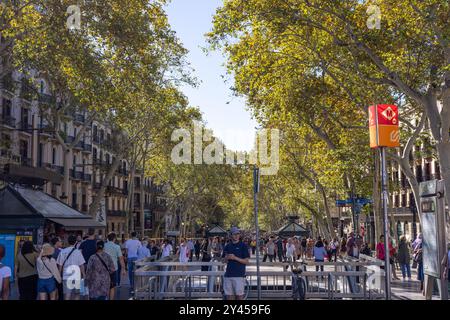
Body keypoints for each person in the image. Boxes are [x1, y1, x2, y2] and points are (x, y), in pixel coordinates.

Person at [221, 227, 250, 300]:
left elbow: (246, 261)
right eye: (234, 234)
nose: (237, 236)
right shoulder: (227, 246)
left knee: (239, 297)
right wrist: (226, 258)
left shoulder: (243, 246)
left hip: (239, 275)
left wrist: (235, 258)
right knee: (229, 297)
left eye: (238, 234)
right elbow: (222, 260)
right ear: (231, 235)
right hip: (228, 275)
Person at [57, 234, 85, 300]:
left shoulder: (62, 252)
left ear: (67, 241)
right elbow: (81, 265)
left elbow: (60, 265)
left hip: (66, 276)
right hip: (76, 276)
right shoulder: (78, 252)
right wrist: (83, 274)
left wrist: (59, 275)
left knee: (67, 295)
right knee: (77, 294)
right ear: (75, 242)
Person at [104, 232, 126, 300]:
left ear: (108, 238)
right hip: (114, 268)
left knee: (105, 285)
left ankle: (106, 298)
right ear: (114, 239)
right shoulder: (117, 247)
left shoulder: (104, 245)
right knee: (112, 286)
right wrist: (123, 268)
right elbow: (121, 258)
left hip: (104, 268)